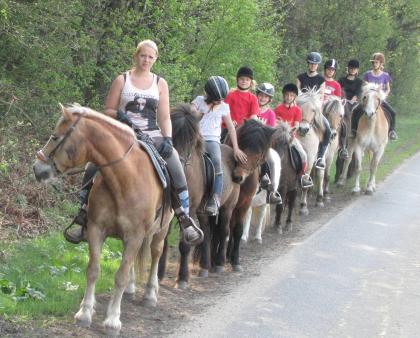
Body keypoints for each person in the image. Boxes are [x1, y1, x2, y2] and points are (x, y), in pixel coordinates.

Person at [67, 39, 203, 245]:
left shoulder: (160, 83)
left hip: (150, 132)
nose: (146, 60)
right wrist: (119, 115)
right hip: (121, 133)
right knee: (93, 164)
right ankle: (82, 214)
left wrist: (167, 137)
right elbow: (108, 109)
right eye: (143, 55)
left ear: (155, 59)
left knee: (174, 161)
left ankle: (183, 216)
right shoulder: (122, 79)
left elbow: (165, 117)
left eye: (150, 57)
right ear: (136, 55)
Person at [191, 76, 247, 215]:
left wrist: (235, 148)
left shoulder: (224, 107)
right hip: (195, 137)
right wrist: (204, 110)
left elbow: (231, 127)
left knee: (216, 161)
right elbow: (191, 117)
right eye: (217, 99)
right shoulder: (198, 101)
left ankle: (215, 198)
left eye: (222, 99)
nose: (219, 102)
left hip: (211, 139)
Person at [296, 52, 332, 169]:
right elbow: (297, 94)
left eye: (315, 64)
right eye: (311, 63)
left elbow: (320, 97)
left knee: (327, 130)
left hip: (315, 110)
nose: (313, 66)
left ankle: (320, 157)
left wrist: (312, 103)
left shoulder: (321, 80)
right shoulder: (300, 77)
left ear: (318, 65)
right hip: (301, 109)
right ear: (308, 64)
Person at [274, 83, 313, 188]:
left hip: (291, 137)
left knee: (304, 155)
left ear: (294, 97)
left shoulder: (297, 110)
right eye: (287, 95)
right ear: (283, 95)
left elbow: (296, 125)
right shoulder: (278, 109)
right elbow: (275, 123)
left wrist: (290, 132)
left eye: (291, 95)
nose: (288, 97)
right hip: (279, 137)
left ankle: (302, 176)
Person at [255, 82, 282, 204]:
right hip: (249, 143)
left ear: (269, 99)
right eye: (261, 95)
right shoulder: (252, 108)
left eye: (266, 96)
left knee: (272, 161)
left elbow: (270, 131)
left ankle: (272, 191)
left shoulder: (270, 113)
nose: (262, 98)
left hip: (263, 145)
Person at [362, 52, 398, 140]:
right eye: (373, 62)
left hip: (380, 100)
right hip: (369, 100)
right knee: (356, 111)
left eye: (376, 62)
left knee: (393, 113)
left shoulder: (385, 75)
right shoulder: (367, 74)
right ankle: (354, 130)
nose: (374, 64)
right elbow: (364, 87)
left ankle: (391, 131)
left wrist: (384, 96)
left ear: (381, 63)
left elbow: (388, 89)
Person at [338, 59, 363, 159]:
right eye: (351, 68)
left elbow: (357, 94)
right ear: (348, 69)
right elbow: (339, 91)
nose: (352, 70)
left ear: (357, 70)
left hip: (353, 102)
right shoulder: (341, 80)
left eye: (355, 69)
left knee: (359, 112)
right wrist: (343, 100)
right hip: (342, 101)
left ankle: (355, 131)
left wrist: (352, 100)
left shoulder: (359, 81)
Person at [223, 66, 259, 132]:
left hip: (245, 129)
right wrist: (229, 122)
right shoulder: (230, 95)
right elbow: (224, 112)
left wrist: (248, 126)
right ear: (237, 80)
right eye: (242, 79)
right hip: (228, 127)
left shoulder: (253, 98)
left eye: (247, 80)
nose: (244, 81)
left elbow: (253, 116)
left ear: (251, 82)